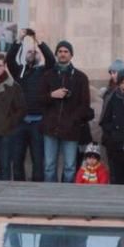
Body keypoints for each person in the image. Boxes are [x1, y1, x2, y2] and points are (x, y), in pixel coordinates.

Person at [39, 40, 91, 183]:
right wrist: (52, 95)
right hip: (50, 128)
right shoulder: (47, 75)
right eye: (60, 51)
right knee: (49, 166)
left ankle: (66, 195)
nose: (62, 54)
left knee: (69, 166)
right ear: (56, 54)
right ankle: (50, 196)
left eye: (66, 51)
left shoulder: (81, 77)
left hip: (71, 129)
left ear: (71, 55)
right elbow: (39, 99)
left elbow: (84, 105)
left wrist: (73, 120)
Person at [6, 30, 55, 182]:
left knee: (38, 159)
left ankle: (37, 188)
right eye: (29, 51)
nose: (32, 53)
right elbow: (9, 59)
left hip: (38, 122)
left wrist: (38, 41)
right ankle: (18, 188)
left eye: (35, 52)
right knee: (17, 159)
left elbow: (51, 60)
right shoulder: (19, 71)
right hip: (20, 123)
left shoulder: (44, 72)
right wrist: (19, 40)